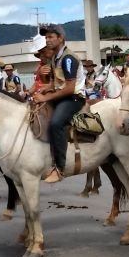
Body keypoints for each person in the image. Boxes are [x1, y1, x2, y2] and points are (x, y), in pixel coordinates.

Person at [31, 24, 85, 184]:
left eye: (50, 37)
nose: (47, 40)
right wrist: (43, 90)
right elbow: (56, 84)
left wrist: (45, 98)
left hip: (73, 98)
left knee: (55, 123)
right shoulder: (56, 57)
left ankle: (60, 168)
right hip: (61, 96)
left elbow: (69, 88)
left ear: (60, 38)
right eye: (46, 37)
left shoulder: (68, 58)